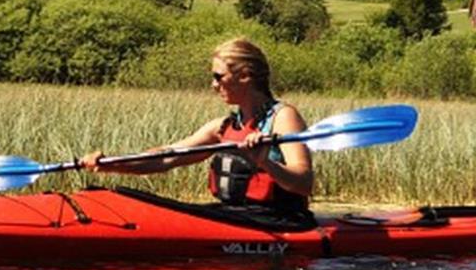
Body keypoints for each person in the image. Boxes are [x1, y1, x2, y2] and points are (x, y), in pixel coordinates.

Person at [80, 37, 313, 217]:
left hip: (282, 222)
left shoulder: (283, 118)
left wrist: (265, 162)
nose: (213, 85)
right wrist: (111, 163)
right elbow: (166, 158)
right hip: (236, 218)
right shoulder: (222, 127)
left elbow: (304, 183)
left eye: (218, 76)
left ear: (245, 76)